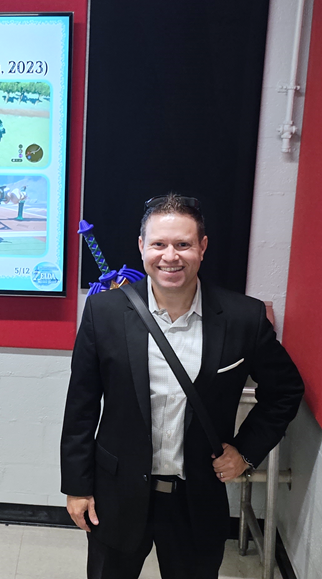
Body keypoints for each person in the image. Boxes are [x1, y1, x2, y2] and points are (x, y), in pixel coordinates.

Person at [60, 194, 304, 579]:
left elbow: (286, 390)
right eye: (158, 244)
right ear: (142, 247)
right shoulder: (103, 313)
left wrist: (246, 451)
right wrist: (76, 486)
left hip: (197, 498)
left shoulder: (244, 318)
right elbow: (81, 407)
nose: (169, 256)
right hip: (117, 494)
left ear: (202, 248)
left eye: (183, 244)